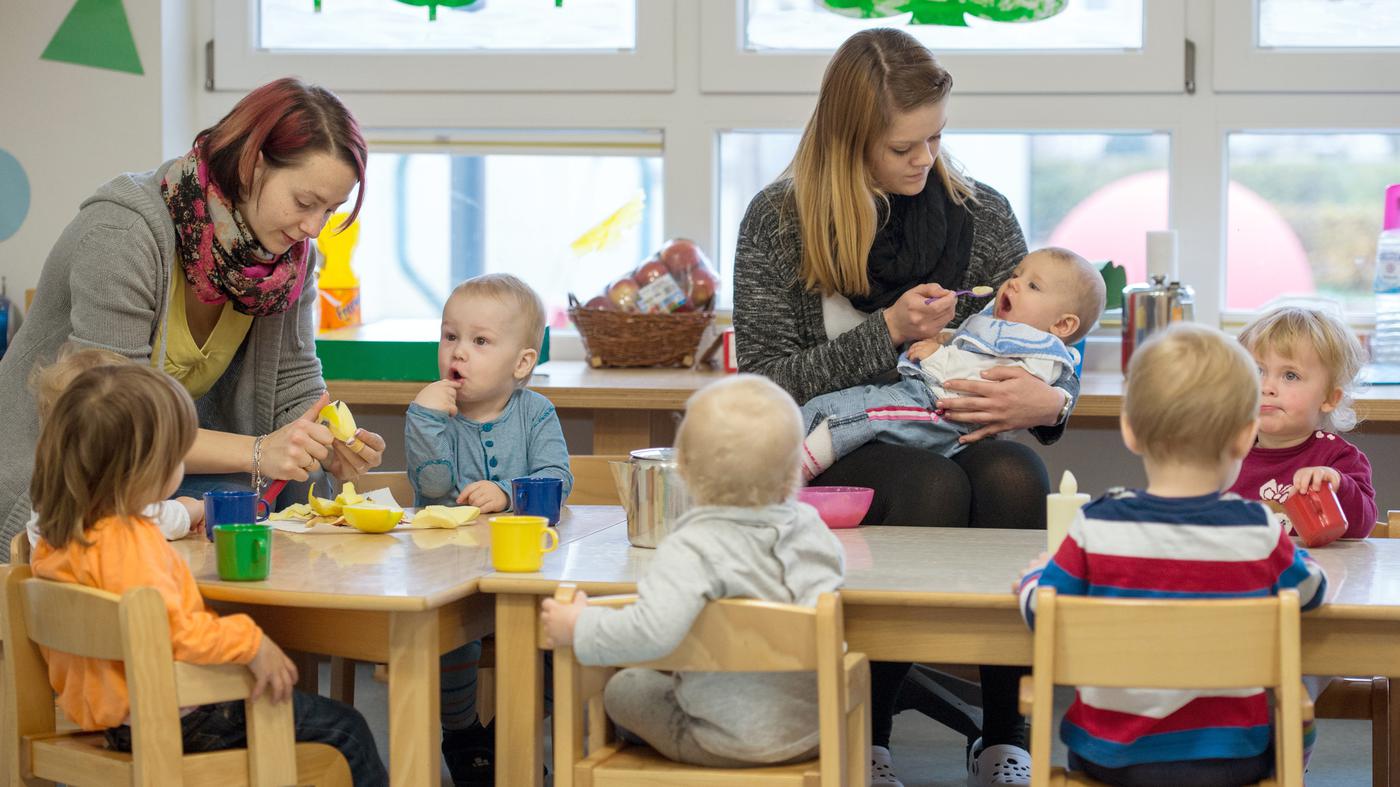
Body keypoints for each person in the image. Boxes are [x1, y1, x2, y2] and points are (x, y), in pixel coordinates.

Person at [732, 27, 1075, 786]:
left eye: (937, 138)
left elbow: (1047, 336)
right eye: (903, 147)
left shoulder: (979, 213)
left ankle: (1004, 728)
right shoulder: (779, 221)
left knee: (1016, 473)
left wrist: (1047, 399)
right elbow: (763, 387)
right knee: (929, 486)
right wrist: (886, 332)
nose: (926, 160)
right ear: (847, 142)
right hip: (830, 445)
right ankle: (872, 729)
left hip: (952, 426)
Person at [0, 77, 387, 563]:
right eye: (305, 203)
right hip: (60, 488)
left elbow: (294, 382)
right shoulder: (124, 233)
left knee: (286, 519)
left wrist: (325, 443)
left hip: (158, 479)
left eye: (330, 211)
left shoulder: (288, 258)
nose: (313, 228)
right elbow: (113, 429)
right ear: (252, 164)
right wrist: (259, 452)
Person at [29, 362, 387, 786]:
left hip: (116, 720)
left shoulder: (61, 538)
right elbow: (178, 632)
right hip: (181, 715)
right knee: (347, 729)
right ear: (147, 468)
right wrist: (251, 641)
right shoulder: (129, 544)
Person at [1016, 324, 1328, 786]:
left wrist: (1033, 578)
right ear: (1246, 436)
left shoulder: (1095, 527)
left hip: (1112, 760)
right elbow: (1311, 593)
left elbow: (1044, 611)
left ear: (1130, 431)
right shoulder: (1258, 530)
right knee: (1295, 709)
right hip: (1230, 763)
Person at [539, 374, 845, 767]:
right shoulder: (811, 528)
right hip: (813, 733)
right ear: (793, 472)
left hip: (720, 739)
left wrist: (579, 625)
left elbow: (649, 634)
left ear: (683, 472)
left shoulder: (692, 545)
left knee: (624, 686)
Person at [405, 272, 572, 786]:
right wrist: (425, 421)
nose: (458, 352)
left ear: (523, 362)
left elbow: (556, 480)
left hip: (524, 576)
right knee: (456, 642)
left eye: (479, 341)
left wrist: (508, 493)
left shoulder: (536, 412)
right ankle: (461, 732)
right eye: (450, 336)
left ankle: (510, 728)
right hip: (450, 575)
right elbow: (433, 488)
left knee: (562, 637)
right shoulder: (434, 414)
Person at [800, 248, 1104, 479]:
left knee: (857, 418)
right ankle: (776, 454)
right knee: (829, 404)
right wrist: (900, 330)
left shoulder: (1038, 351)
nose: (1012, 284)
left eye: (1032, 286)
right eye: (1015, 274)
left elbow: (980, 379)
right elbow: (970, 349)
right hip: (918, 397)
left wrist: (1056, 403)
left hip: (943, 416)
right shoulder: (1000, 324)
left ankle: (794, 473)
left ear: (1063, 326)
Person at [23, 345, 205, 551]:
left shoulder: (52, 514)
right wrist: (193, 508)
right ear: (135, 465)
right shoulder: (128, 532)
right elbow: (152, 519)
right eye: (173, 451)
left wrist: (188, 510)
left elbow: (152, 516)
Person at [1228, 306, 1376, 537]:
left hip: (1315, 571)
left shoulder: (1338, 459)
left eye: (1290, 375)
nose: (1266, 387)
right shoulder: (1227, 454)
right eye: (1257, 371)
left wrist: (1338, 485)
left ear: (1329, 398)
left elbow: (1362, 528)